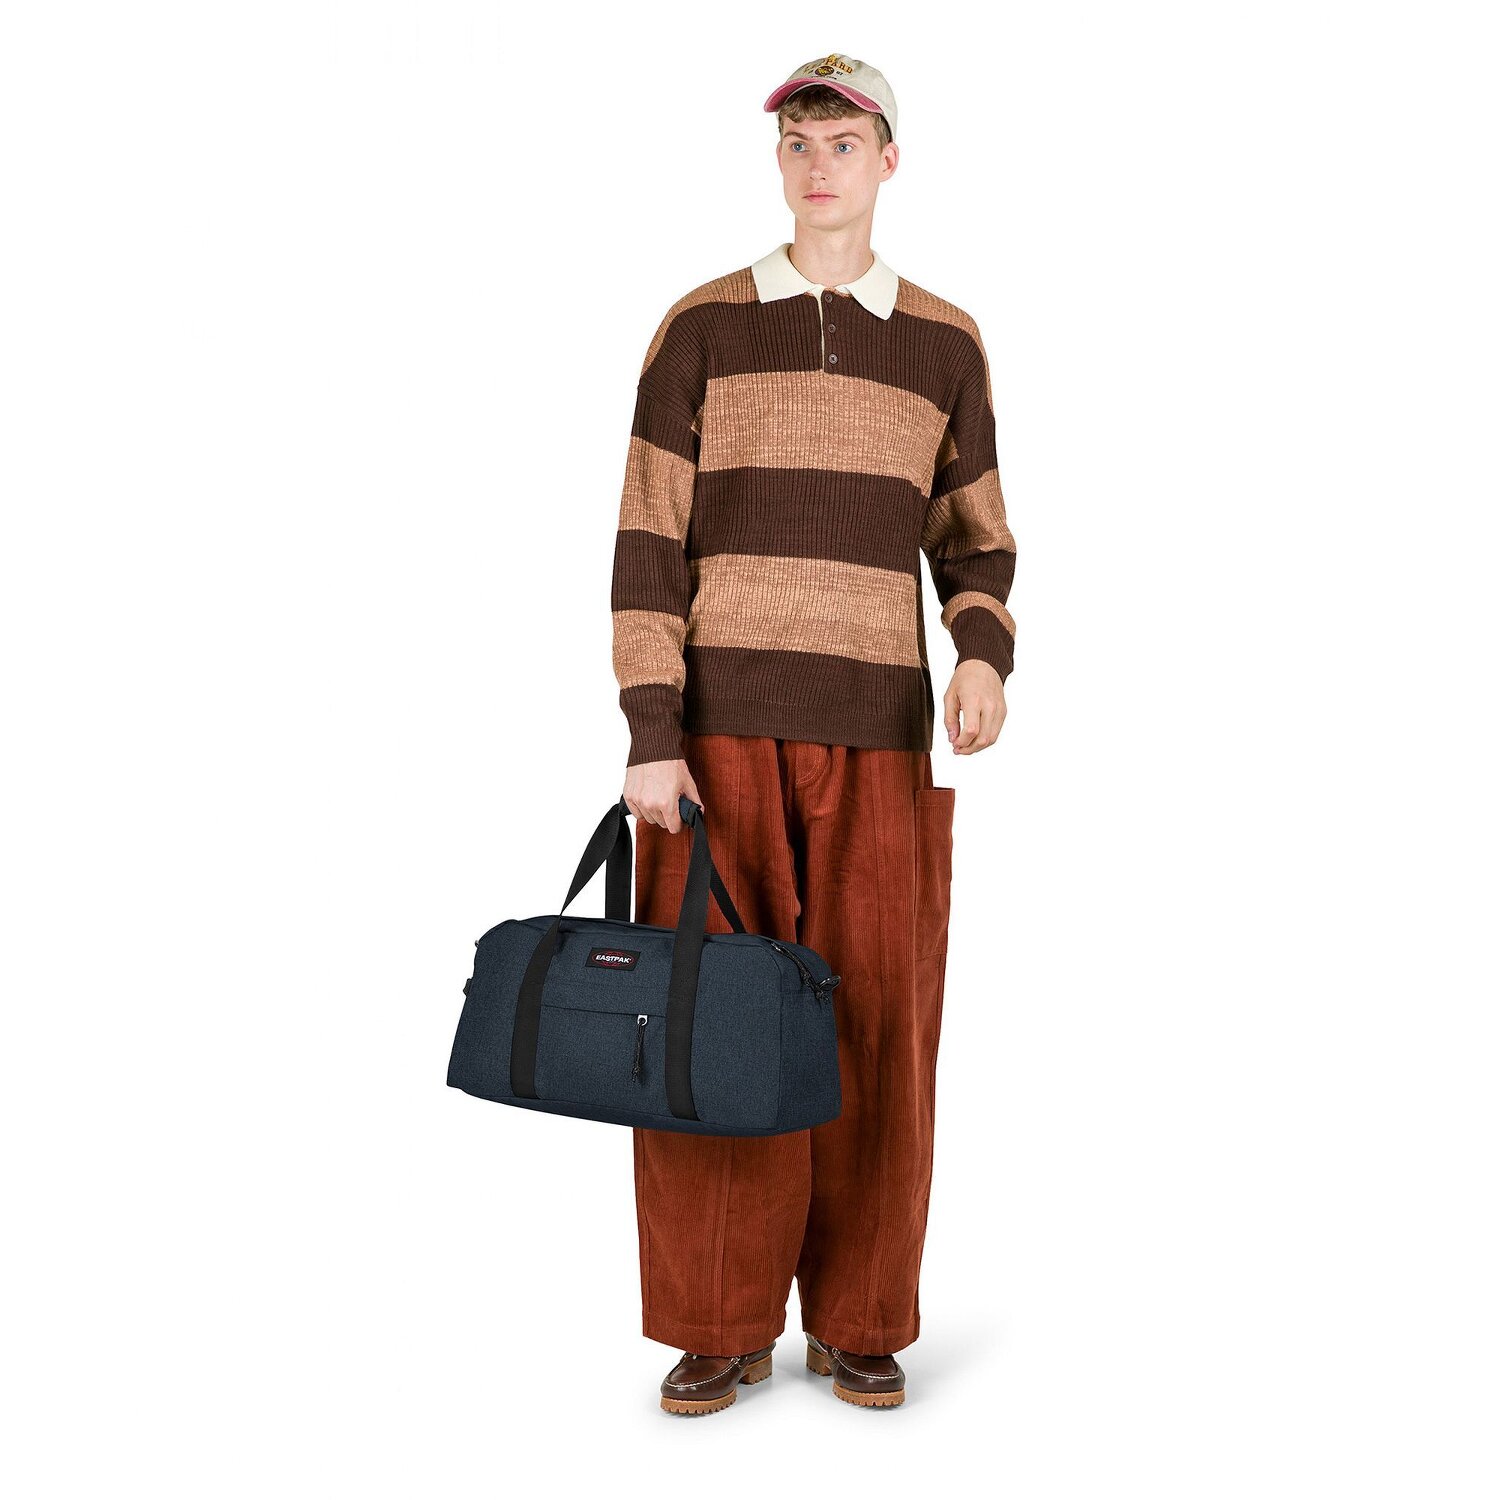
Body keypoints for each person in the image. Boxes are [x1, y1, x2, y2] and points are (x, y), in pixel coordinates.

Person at [610, 52, 1017, 1414]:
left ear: (889, 159)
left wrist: (982, 654)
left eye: (845, 141)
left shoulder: (945, 342)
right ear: (777, 161)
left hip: (879, 733)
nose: (820, 163)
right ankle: (718, 1320)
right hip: (717, 738)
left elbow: (977, 535)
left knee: (881, 1022)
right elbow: (647, 538)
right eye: (799, 141)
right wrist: (651, 727)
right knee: (709, 1025)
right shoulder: (701, 329)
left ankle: (860, 1317)